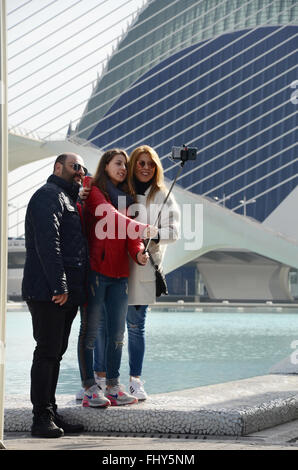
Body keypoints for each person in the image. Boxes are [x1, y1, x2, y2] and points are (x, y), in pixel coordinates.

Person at [77, 149, 157, 407]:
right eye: (118, 163)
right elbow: (110, 216)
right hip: (96, 273)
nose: (123, 168)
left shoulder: (128, 197)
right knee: (90, 333)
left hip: (120, 275)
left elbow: (131, 238)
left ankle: (113, 386)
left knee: (117, 334)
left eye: (125, 164)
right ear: (106, 165)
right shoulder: (94, 190)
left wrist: (138, 255)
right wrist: (142, 228)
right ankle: (90, 388)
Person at [22, 152, 88, 438]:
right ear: (57, 167)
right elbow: (48, 243)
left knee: (55, 354)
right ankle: (41, 418)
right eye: (75, 166)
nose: (79, 171)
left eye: (82, 168)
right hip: (49, 291)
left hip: (63, 291)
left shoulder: (68, 199)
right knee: (47, 352)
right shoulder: (48, 195)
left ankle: (50, 410)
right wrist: (59, 286)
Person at [126, 145, 180, 400]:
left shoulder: (164, 195)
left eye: (150, 164)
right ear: (133, 165)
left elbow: (175, 232)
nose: (145, 168)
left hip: (145, 267)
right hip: (115, 266)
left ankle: (135, 380)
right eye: (141, 163)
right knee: (106, 327)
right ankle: (102, 381)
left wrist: (154, 234)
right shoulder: (119, 190)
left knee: (136, 327)